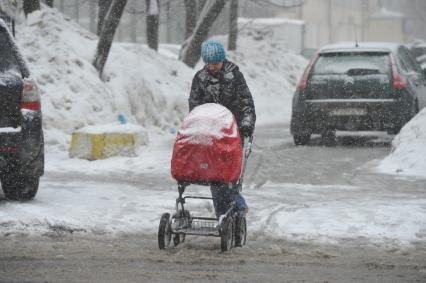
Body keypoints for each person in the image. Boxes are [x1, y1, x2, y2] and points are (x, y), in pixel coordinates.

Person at [188, 39, 256, 218]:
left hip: (233, 133)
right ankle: (222, 214)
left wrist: (247, 124)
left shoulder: (234, 76)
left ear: (222, 60)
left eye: (216, 63)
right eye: (209, 64)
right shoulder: (200, 79)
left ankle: (237, 206)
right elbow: (194, 107)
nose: (212, 67)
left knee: (229, 173)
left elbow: (246, 102)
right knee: (214, 175)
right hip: (210, 134)